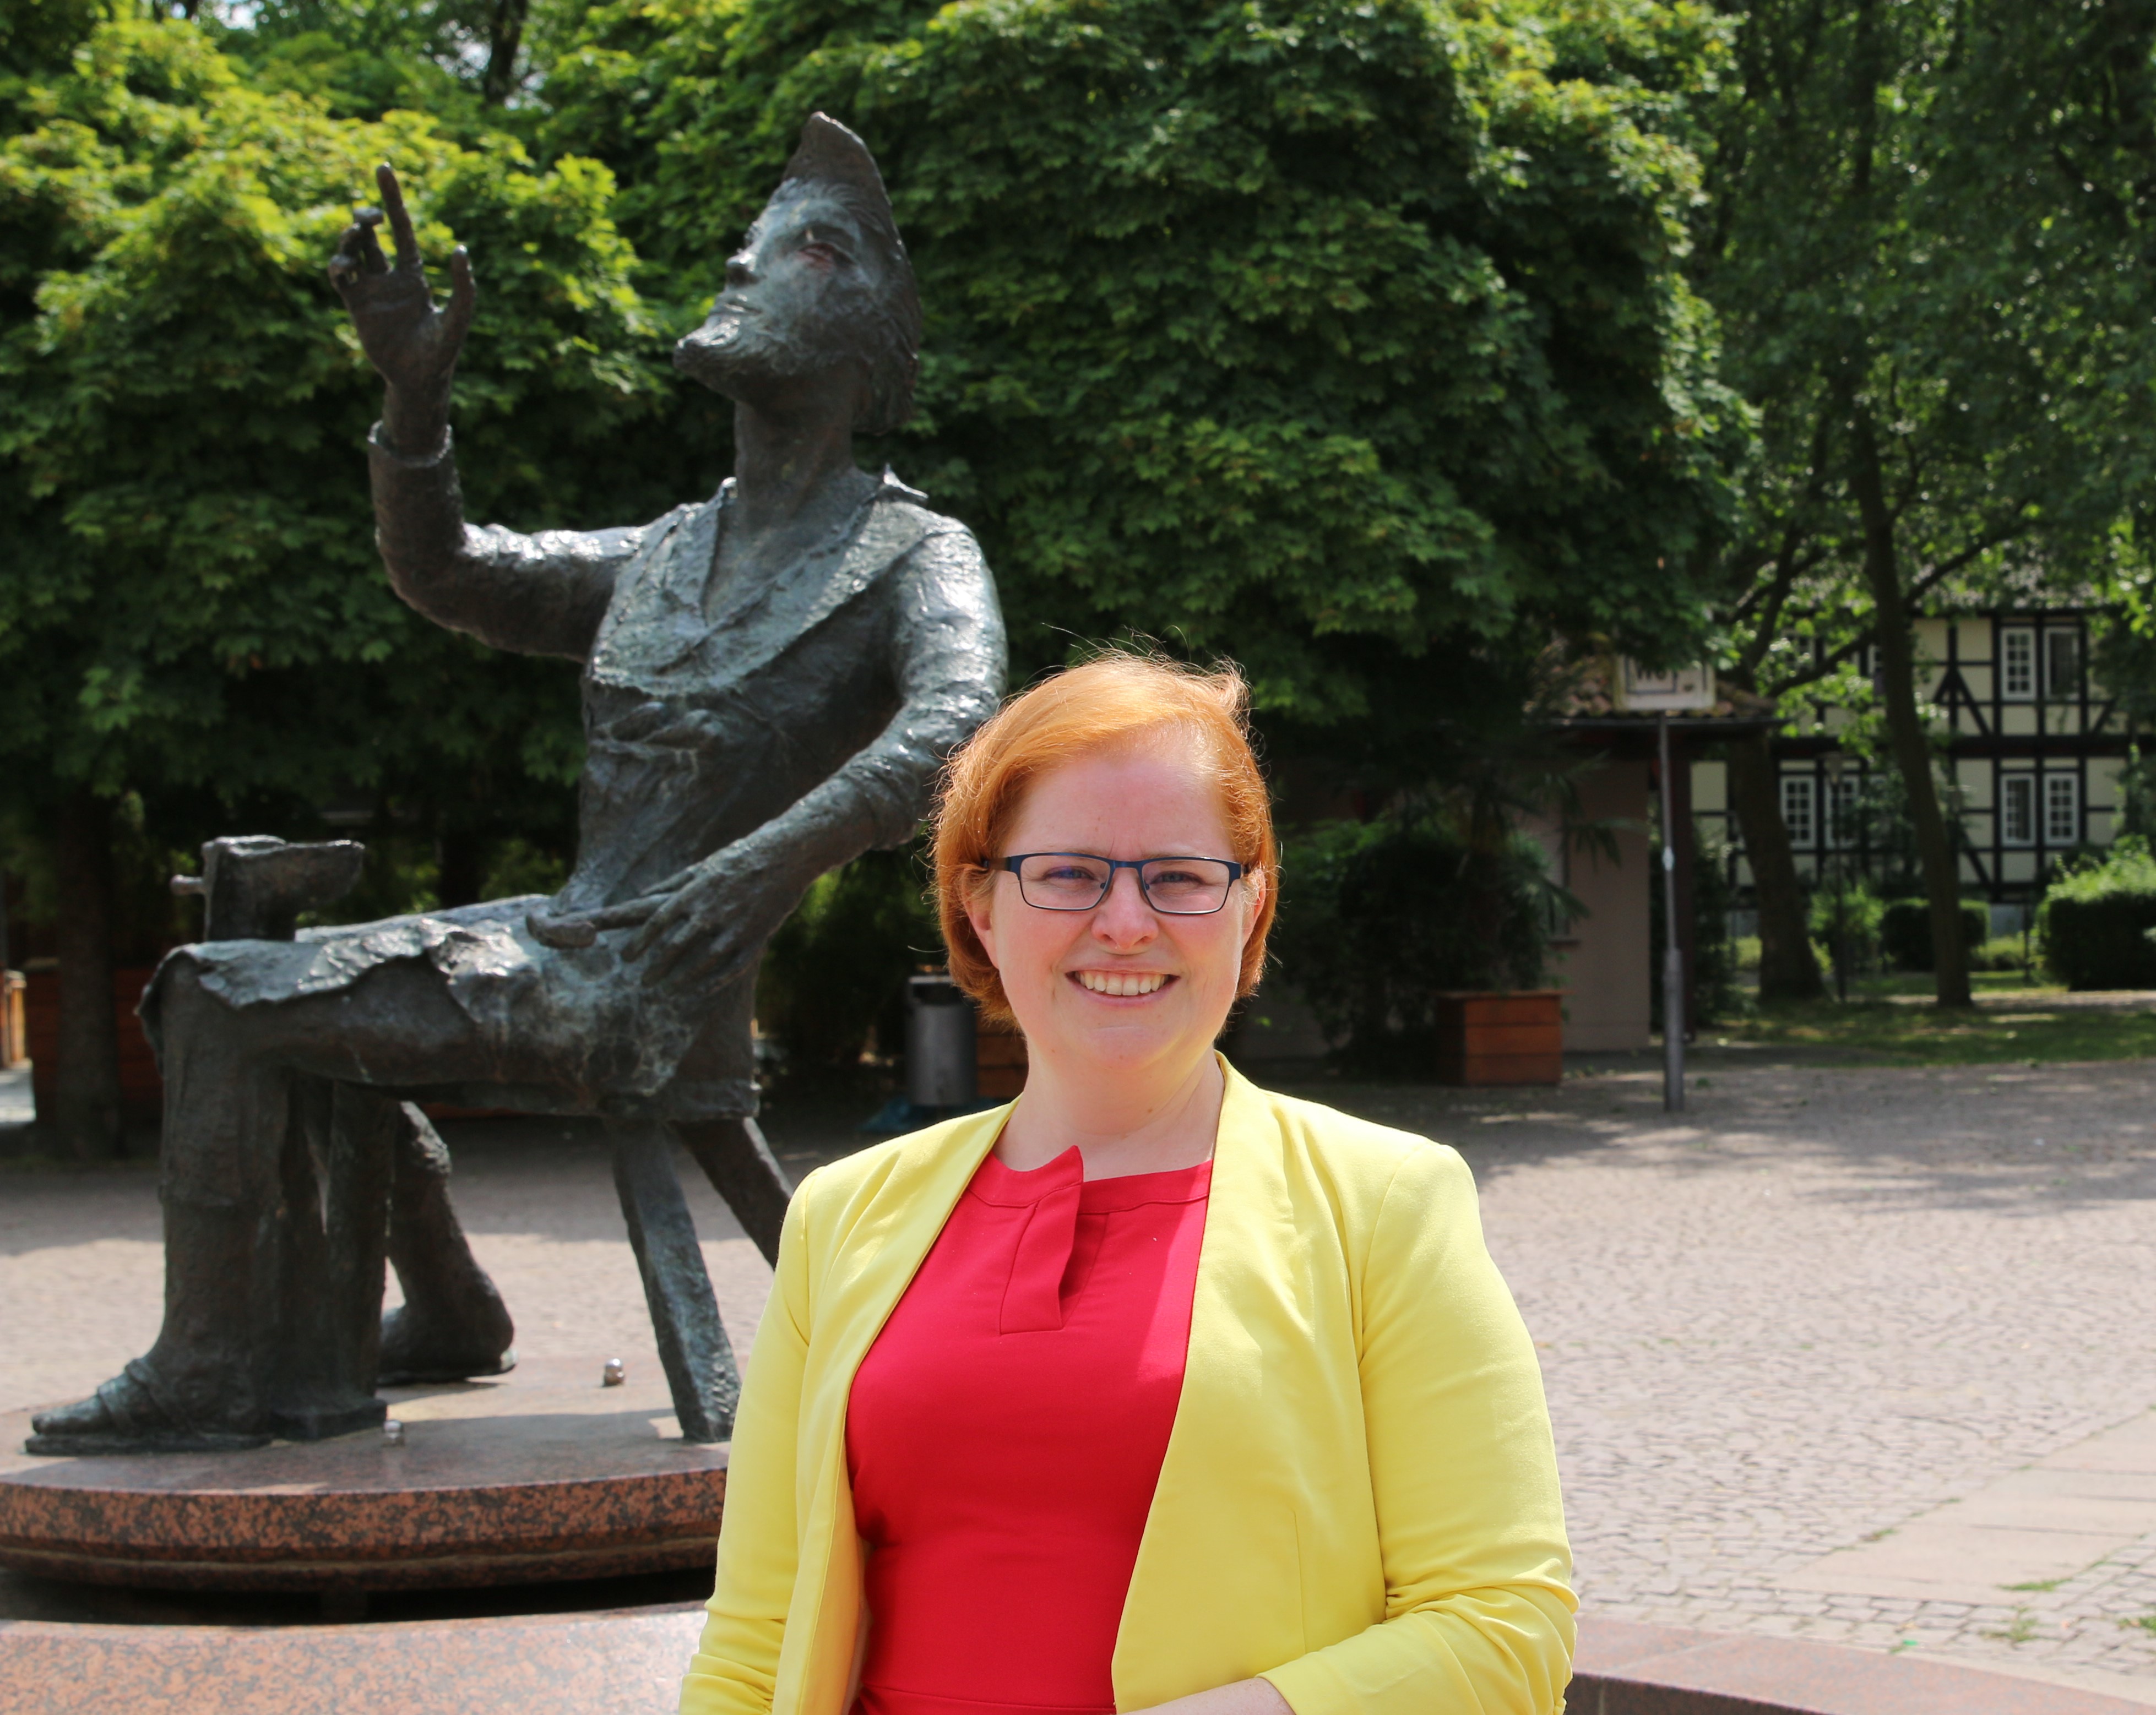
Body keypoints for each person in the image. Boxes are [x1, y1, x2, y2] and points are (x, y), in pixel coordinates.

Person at [28, 115, 1005, 1455]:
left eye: (795, 253)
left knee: (216, 997)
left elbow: (960, 722)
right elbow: (453, 574)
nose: (736, 267)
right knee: (276, 974)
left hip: (651, 983)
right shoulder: (666, 552)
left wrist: (762, 865)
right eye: (746, 245)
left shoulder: (912, 555)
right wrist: (413, 400)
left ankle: (206, 1369)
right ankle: (446, 1312)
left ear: (863, 327)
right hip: (568, 940)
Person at [679, 650, 1574, 1715]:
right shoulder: (843, 1215)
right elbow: (754, 1644)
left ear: (1250, 907)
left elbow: (1503, 1627)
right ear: (979, 906)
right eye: (1068, 873)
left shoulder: (1385, 1206)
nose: (1125, 923)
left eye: (1181, 877)